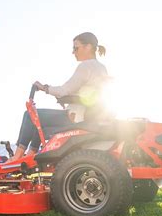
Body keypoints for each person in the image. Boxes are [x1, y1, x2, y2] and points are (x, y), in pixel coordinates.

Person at [7, 32, 109, 162]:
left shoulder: (86, 66)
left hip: (77, 117)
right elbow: (90, 94)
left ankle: (17, 157)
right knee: (41, 124)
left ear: (88, 47)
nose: (73, 52)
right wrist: (67, 99)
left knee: (30, 115)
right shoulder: (101, 68)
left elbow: (63, 90)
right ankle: (30, 156)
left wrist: (44, 88)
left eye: (76, 48)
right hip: (88, 116)